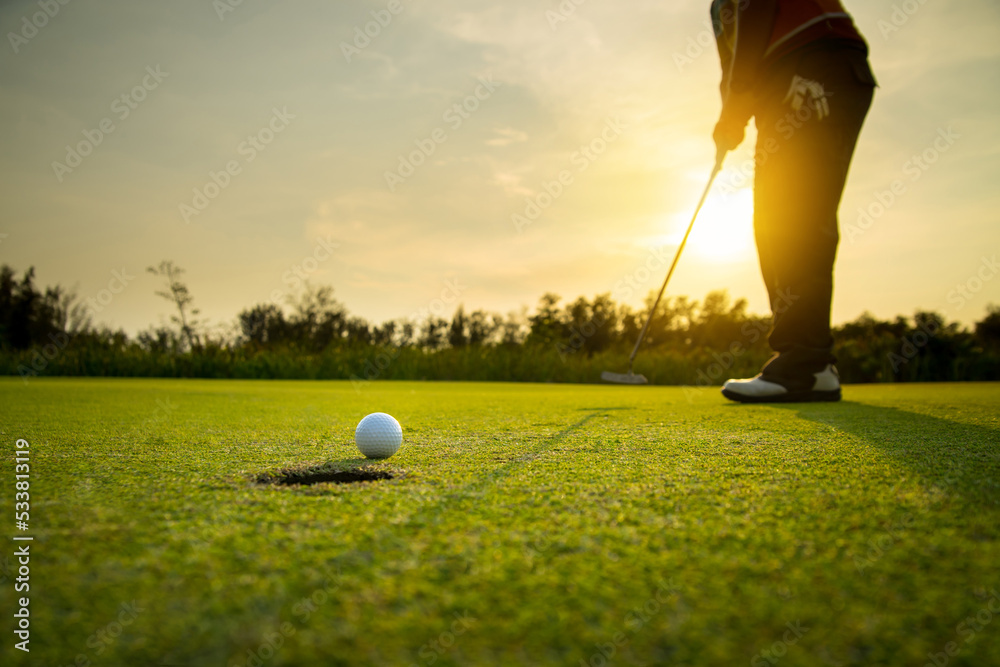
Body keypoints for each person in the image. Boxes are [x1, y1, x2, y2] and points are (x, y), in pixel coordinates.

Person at [710, 0, 876, 403]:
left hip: (814, 62)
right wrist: (733, 110)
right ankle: (810, 365)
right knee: (774, 219)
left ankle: (804, 362)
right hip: (787, 78)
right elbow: (733, 66)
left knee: (795, 216)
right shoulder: (717, 7)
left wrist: (735, 107)